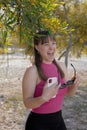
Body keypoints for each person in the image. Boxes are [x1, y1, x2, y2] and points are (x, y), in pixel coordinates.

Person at [22, 30, 80, 130]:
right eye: (46, 44)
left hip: (59, 121)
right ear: (37, 47)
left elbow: (69, 93)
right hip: (38, 124)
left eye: (53, 43)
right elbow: (27, 103)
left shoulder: (61, 66)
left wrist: (75, 85)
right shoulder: (32, 70)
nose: (51, 47)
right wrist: (44, 97)